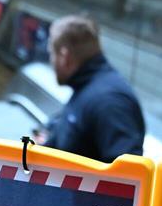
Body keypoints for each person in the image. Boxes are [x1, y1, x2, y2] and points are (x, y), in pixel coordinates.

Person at [41, 15, 145, 162]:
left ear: (65, 56)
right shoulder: (86, 87)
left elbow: (126, 176)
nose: (51, 61)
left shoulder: (109, 102)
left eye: (51, 53)